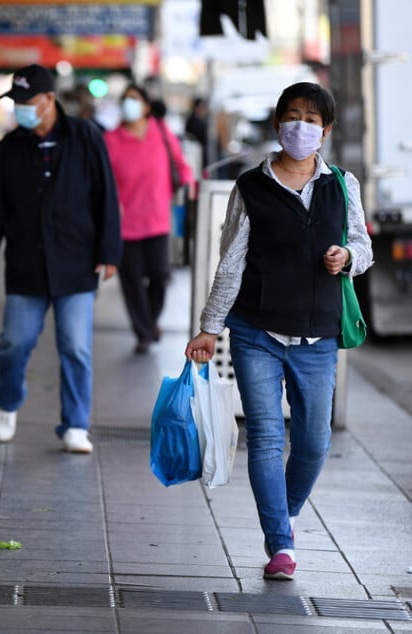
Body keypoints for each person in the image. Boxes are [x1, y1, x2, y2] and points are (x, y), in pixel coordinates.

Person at [185, 82, 373, 580]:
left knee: (313, 442)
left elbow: (362, 244)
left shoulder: (342, 184)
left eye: (312, 119)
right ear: (276, 124)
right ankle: (281, 543)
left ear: (326, 131)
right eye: (292, 116)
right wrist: (209, 327)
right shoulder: (250, 187)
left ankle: (283, 515)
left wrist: (348, 256)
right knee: (267, 437)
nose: (300, 126)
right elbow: (231, 263)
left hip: (318, 336)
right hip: (256, 332)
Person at [0, 64, 122, 454]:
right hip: (27, 263)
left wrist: (109, 252)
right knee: (13, 343)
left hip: (76, 262)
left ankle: (75, 424)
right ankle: (6, 402)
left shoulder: (86, 137)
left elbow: (106, 195)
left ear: (50, 100)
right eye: (16, 101)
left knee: (76, 347)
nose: (21, 108)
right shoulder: (9, 148)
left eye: (27, 101)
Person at [104, 84, 195, 354]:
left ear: (145, 106)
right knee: (132, 282)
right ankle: (143, 332)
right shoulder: (112, 139)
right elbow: (104, 180)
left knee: (160, 275)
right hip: (125, 224)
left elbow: (180, 163)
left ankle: (150, 320)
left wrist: (189, 185)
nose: (128, 104)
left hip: (157, 219)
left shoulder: (161, 130)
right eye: (125, 100)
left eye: (134, 99)